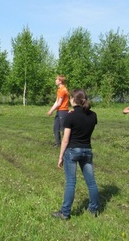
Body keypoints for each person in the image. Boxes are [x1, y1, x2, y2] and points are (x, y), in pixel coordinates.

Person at [52, 89, 99, 220]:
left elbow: (65, 139)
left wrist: (60, 156)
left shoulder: (70, 116)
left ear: (73, 100)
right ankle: (94, 209)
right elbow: (86, 119)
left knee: (71, 183)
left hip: (72, 151)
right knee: (91, 182)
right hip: (87, 150)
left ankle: (65, 213)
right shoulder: (93, 115)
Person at [47, 75, 69, 147]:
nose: (55, 81)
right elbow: (56, 102)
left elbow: (59, 103)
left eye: (56, 80)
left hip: (63, 111)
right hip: (59, 111)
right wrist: (51, 110)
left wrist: (51, 111)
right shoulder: (59, 89)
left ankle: (66, 144)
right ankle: (58, 143)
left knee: (63, 128)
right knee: (56, 127)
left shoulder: (63, 90)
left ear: (60, 81)